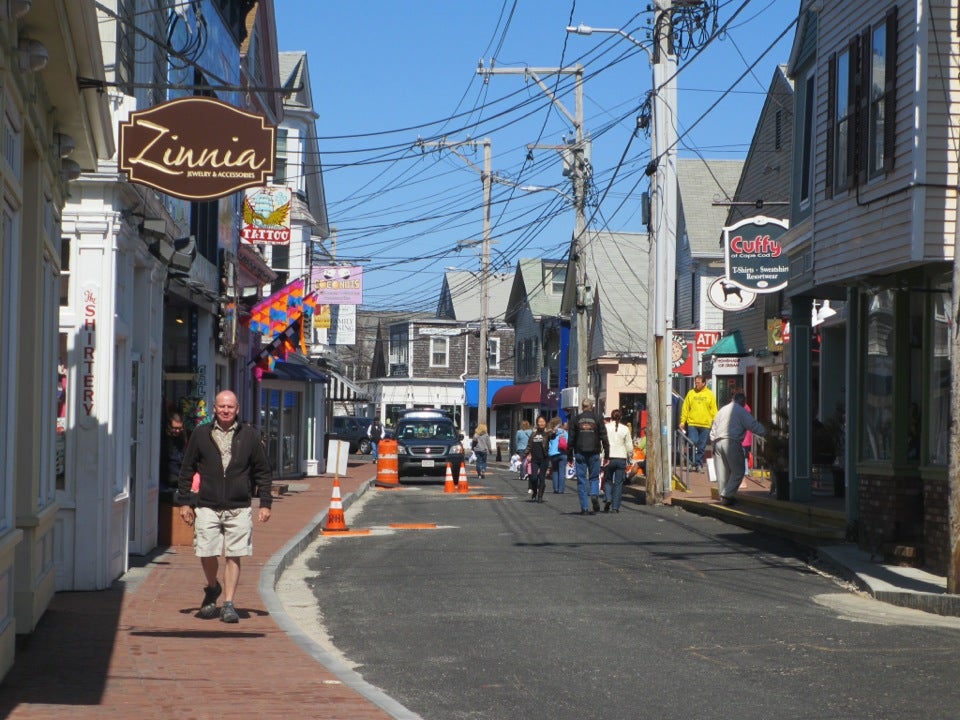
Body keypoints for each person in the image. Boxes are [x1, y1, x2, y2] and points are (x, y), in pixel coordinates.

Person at [176, 390, 272, 623]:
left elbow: (262, 471)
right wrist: (184, 502)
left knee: (234, 554)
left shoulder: (249, 435)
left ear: (237, 409)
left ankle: (228, 603)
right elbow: (187, 469)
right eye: (222, 407)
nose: (226, 411)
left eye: (230, 407)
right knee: (205, 551)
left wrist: (265, 503)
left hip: (238, 505)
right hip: (207, 504)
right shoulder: (201, 434)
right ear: (214, 409)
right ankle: (213, 587)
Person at [709, 392, 765, 506]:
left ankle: (723, 498)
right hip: (731, 441)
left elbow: (714, 428)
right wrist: (766, 432)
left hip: (718, 442)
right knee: (738, 471)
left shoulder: (722, 410)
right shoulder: (741, 411)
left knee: (722, 473)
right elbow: (753, 425)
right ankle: (727, 494)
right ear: (743, 401)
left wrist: (713, 442)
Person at [567, 397, 610, 515]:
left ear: (582, 407)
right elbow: (604, 437)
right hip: (594, 452)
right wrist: (607, 455)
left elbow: (571, 439)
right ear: (592, 407)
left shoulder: (576, 419)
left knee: (581, 480)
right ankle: (595, 494)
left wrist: (569, 456)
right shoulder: (597, 418)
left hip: (580, 452)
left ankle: (584, 508)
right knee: (594, 477)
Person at [679, 375, 718, 472]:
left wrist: (716, 421)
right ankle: (691, 463)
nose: (696, 384)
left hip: (705, 425)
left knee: (701, 446)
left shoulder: (710, 394)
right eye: (695, 382)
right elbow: (685, 408)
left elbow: (714, 409)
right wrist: (682, 421)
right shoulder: (691, 393)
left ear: (704, 383)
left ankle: (698, 464)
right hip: (692, 423)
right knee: (692, 442)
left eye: (698, 382)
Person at [603, 409, 633, 513]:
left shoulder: (606, 427)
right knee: (618, 483)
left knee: (607, 480)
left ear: (611, 417)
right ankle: (615, 507)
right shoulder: (625, 429)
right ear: (620, 418)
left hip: (608, 457)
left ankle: (608, 498)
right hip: (621, 458)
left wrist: (601, 454)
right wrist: (630, 456)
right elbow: (629, 446)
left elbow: (601, 442)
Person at [527, 415, 553, 503]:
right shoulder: (533, 433)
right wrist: (522, 456)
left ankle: (540, 496)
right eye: (539, 421)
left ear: (545, 423)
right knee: (533, 478)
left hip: (544, 459)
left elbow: (552, 436)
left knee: (542, 478)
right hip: (534, 459)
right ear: (537, 423)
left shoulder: (547, 433)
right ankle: (534, 491)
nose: (541, 423)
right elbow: (529, 446)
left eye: (543, 421)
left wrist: (554, 431)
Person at [160, 412, 187, 492]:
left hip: (179, 478)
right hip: (166, 479)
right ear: (169, 426)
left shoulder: (182, 438)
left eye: (180, 428)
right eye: (175, 428)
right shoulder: (163, 440)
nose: (178, 431)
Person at [548, 417, 568, 494]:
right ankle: (561, 489)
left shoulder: (551, 433)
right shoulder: (564, 432)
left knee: (555, 471)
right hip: (563, 453)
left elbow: (549, 444)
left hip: (553, 454)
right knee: (562, 472)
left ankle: (555, 488)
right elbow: (568, 443)